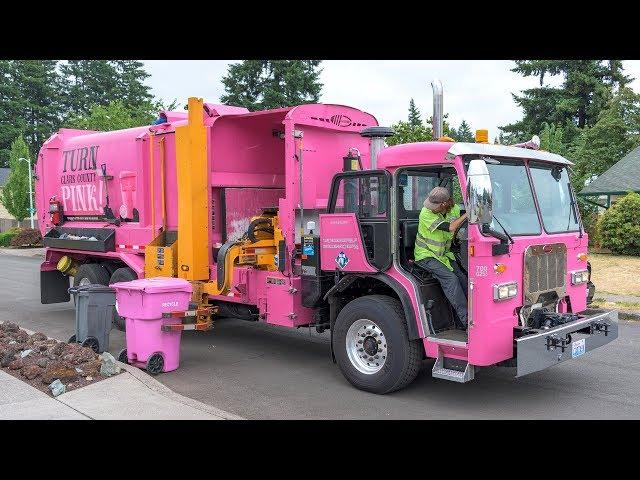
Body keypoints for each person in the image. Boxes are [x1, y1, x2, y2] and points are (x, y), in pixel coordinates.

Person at [414, 186, 469, 329]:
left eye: (435, 205)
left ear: (444, 204)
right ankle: (467, 321)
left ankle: (475, 315)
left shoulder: (455, 209)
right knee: (451, 280)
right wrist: (468, 213)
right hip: (426, 255)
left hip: (444, 255)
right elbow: (450, 227)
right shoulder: (425, 213)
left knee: (464, 279)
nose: (431, 207)